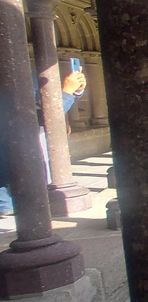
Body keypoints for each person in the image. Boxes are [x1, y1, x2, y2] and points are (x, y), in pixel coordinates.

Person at [0, 71, 86, 216]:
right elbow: (35, 116)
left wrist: (74, 92)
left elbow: (40, 105)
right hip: (11, 194)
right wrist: (66, 94)